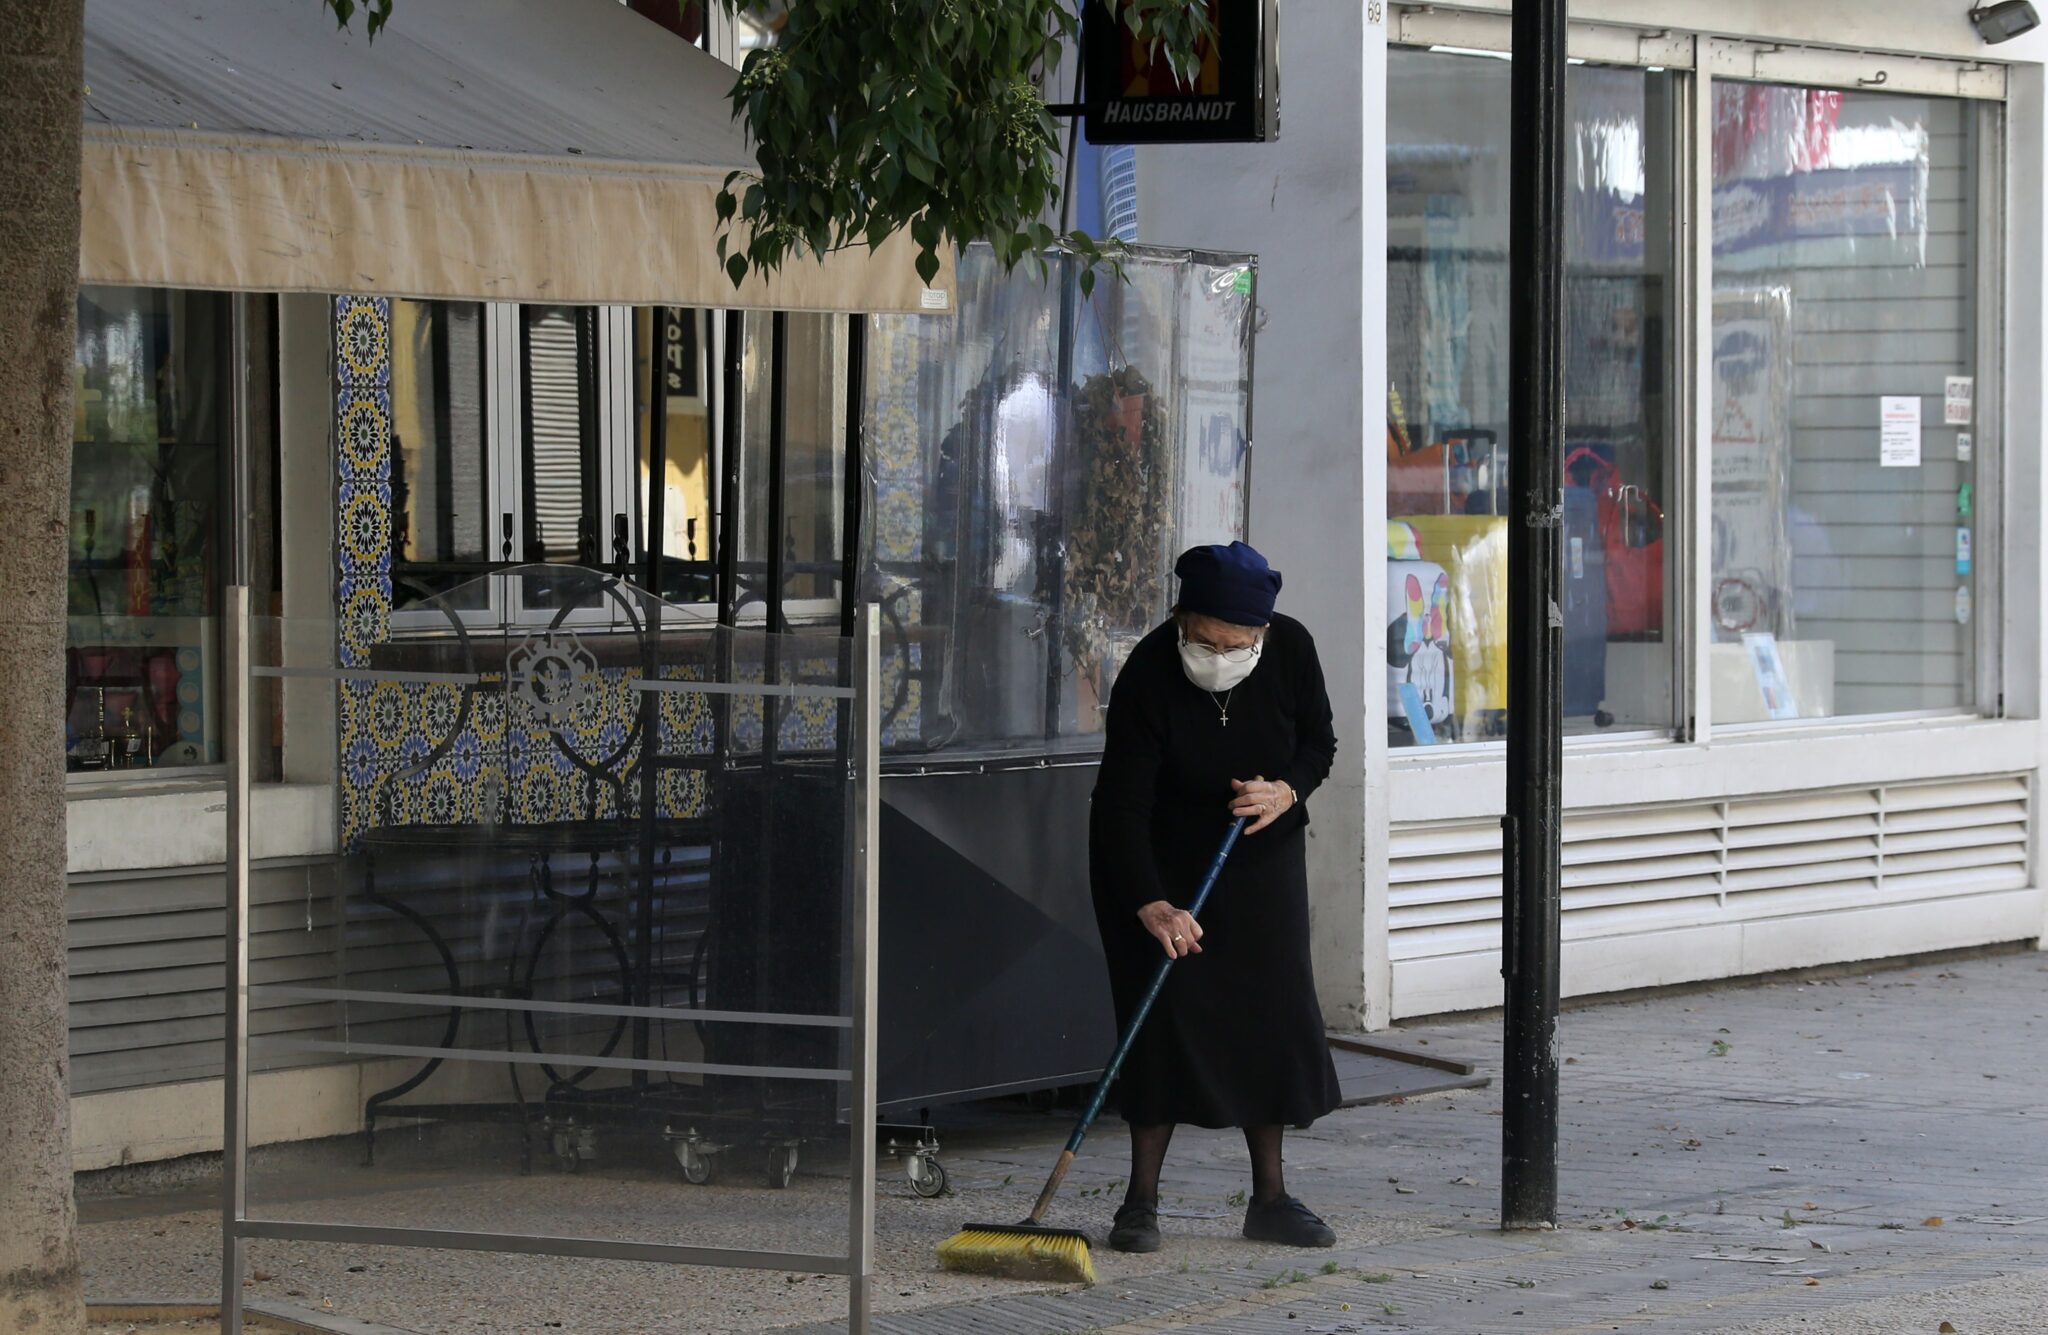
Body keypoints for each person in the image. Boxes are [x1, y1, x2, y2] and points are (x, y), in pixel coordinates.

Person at [1089, 541, 1343, 1254]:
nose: (1221, 654)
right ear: (1182, 619)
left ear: (1262, 631)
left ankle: (1270, 1198)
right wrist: (1150, 902)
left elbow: (1318, 744)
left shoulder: (1291, 648)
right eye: (1206, 640)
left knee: (1270, 1015)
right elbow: (1121, 805)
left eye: (1238, 644)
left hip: (1260, 861)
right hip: (1163, 866)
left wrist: (1286, 788)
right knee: (1161, 1022)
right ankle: (1138, 1202)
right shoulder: (1149, 669)